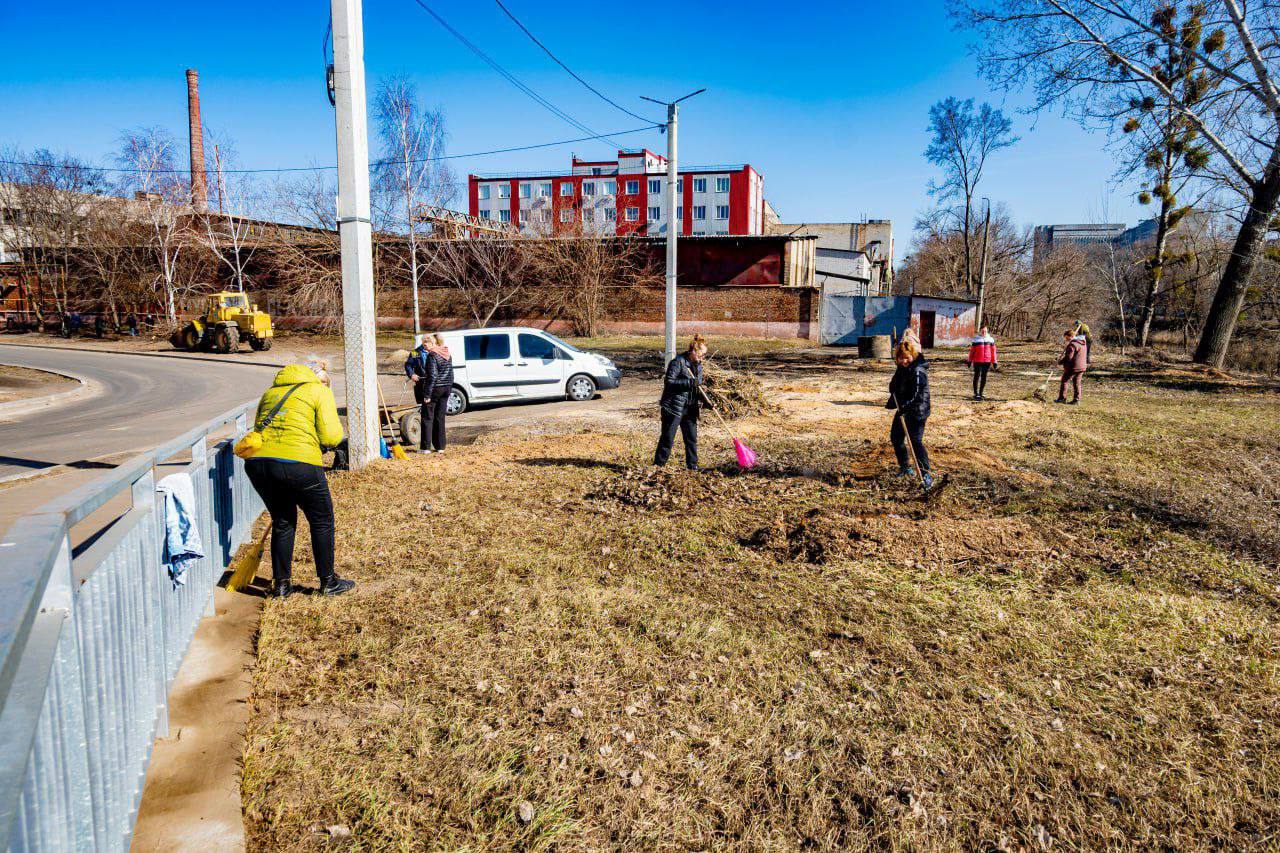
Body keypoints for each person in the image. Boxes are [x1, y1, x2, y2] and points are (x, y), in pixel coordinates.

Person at [244, 360, 354, 598]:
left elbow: (260, 428)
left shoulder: (271, 392)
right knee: (322, 520)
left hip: (259, 464)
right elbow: (333, 436)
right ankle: (328, 582)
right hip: (299, 463)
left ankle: (281, 586)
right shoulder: (318, 391)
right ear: (317, 376)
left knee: (283, 521)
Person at [886, 339, 934, 489]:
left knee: (915, 441)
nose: (904, 361)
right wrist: (893, 387)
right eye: (901, 358)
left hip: (917, 410)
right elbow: (895, 385)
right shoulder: (902, 368)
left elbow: (917, 395)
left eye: (907, 358)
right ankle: (905, 467)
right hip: (904, 409)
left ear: (912, 355)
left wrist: (904, 407)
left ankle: (926, 473)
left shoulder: (918, 371)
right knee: (896, 437)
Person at [654, 335, 707, 470]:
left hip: (690, 408)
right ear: (693, 352)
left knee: (691, 438)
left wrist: (704, 401)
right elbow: (669, 383)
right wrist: (689, 382)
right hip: (674, 406)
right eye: (701, 355)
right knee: (668, 438)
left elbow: (697, 387)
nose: (703, 358)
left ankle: (692, 466)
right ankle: (658, 466)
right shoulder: (678, 362)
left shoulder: (698, 365)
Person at [404, 334, 454, 453]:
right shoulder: (416, 352)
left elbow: (433, 375)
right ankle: (440, 446)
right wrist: (412, 374)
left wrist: (428, 395)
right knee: (437, 416)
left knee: (429, 416)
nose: (425, 347)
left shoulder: (434, 354)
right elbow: (408, 364)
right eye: (424, 344)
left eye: (427, 344)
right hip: (424, 382)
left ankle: (427, 447)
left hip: (432, 385)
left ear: (432, 343)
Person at [966, 325, 998, 401]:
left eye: (985, 331)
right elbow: (972, 352)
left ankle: (981, 393)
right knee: (976, 376)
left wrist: (994, 362)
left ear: (987, 331)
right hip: (977, 361)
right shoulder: (976, 340)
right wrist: (969, 361)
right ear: (980, 331)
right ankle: (975, 393)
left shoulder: (990, 340)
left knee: (984, 377)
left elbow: (993, 352)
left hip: (987, 362)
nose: (984, 332)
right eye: (982, 331)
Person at [1057, 328, 1088, 405]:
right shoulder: (1083, 343)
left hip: (1073, 367)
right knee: (1077, 383)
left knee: (1065, 381)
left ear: (1069, 336)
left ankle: (1062, 399)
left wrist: (1060, 362)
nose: (1065, 339)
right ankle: (1076, 400)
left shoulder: (1072, 345)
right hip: (1082, 366)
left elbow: (1068, 357)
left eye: (1066, 337)